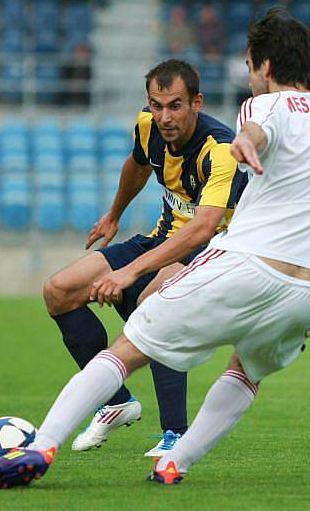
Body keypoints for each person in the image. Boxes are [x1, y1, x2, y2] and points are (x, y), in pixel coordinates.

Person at [0, 8, 310, 489]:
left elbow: (257, 129)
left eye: (251, 65)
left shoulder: (264, 107)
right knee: (245, 370)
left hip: (250, 263)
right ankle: (176, 461)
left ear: (265, 66)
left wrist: (248, 142)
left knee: (131, 345)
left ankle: (41, 448)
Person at [40, 59, 248, 457]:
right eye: (157, 105)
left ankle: (174, 433)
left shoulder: (220, 150)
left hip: (214, 250)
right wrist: (114, 215)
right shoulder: (148, 126)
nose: (164, 116)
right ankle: (116, 401)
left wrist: (129, 273)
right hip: (160, 240)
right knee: (59, 291)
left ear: (196, 103)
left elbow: (203, 229)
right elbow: (136, 166)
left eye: (175, 105)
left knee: (157, 301)